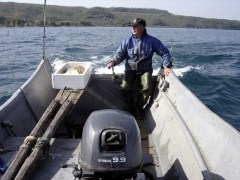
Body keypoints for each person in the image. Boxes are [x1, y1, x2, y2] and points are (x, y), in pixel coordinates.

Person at [107, 18, 172, 119]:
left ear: (142, 27)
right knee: (124, 86)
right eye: (132, 26)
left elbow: (165, 52)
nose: (132, 28)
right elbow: (120, 54)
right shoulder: (126, 40)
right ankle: (130, 108)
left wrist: (166, 66)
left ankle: (139, 108)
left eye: (135, 26)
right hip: (130, 69)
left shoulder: (152, 40)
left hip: (145, 70)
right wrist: (113, 62)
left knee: (147, 88)